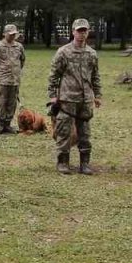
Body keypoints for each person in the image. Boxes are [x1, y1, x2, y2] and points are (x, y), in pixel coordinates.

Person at [47, 17, 103, 175]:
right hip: (67, 98)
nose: (82, 34)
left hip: (85, 99)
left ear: (88, 32)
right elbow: (53, 75)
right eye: (79, 30)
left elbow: (95, 76)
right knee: (64, 130)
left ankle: (84, 163)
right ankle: (63, 162)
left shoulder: (92, 54)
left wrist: (97, 95)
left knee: (85, 132)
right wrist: (52, 96)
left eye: (84, 30)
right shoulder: (63, 52)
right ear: (73, 32)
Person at [0, 23, 26, 134]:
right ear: (4, 34)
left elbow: (22, 60)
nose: (12, 36)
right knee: (1, 102)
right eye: (10, 34)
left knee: (12, 102)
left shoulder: (19, 47)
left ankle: (8, 124)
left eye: (14, 34)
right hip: (2, 80)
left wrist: (16, 71)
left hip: (15, 80)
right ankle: (1, 124)